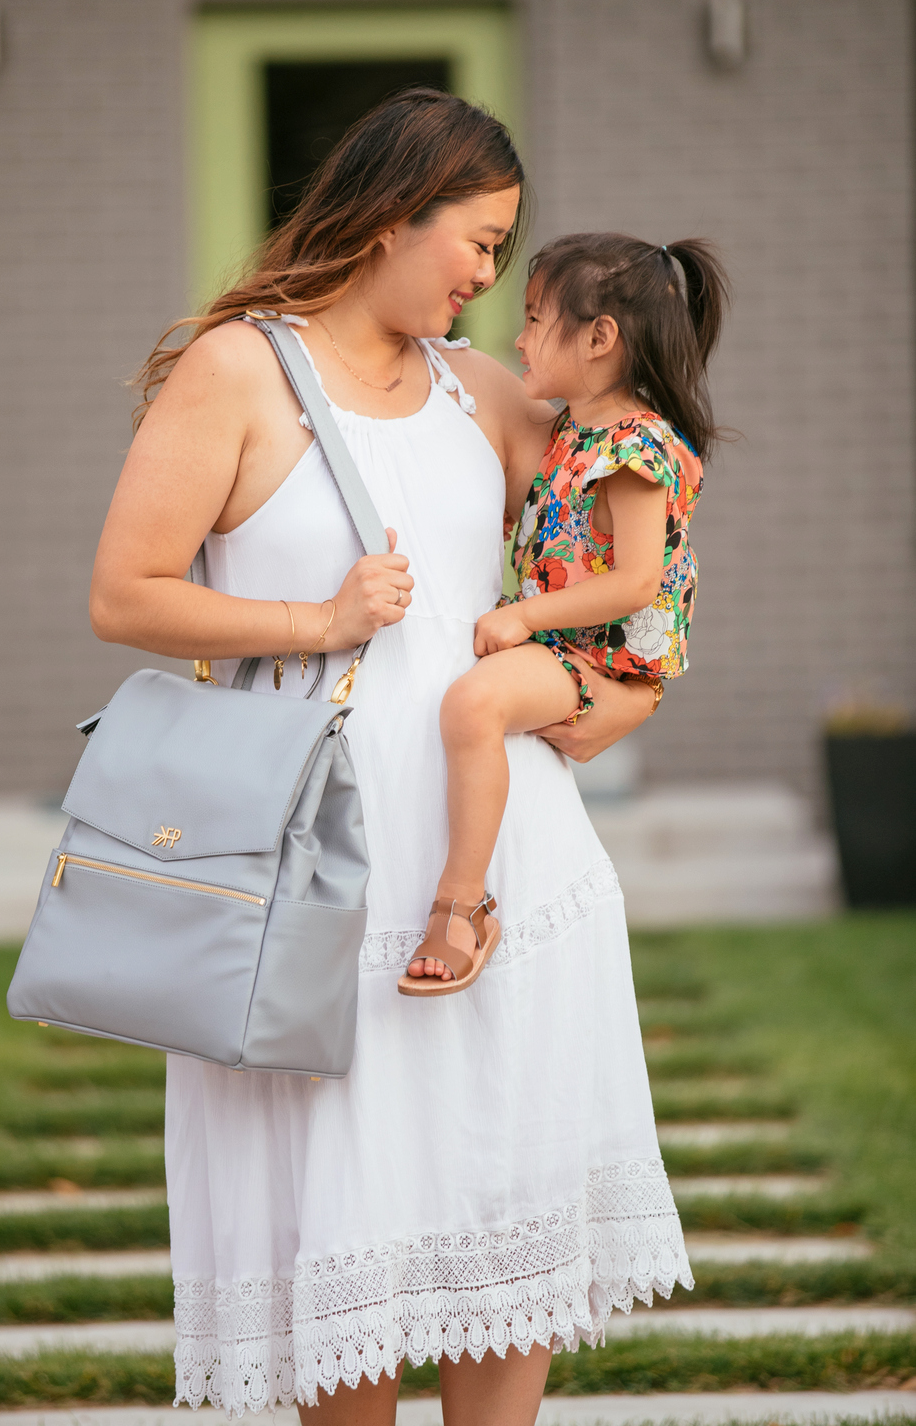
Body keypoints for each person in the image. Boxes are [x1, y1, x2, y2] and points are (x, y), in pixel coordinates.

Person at [89, 90, 692, 1425]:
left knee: (499, 1210)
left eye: (503, 252)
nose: (490, 276)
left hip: (496, 877)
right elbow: (124, 593)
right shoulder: (235, 370)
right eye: (475, 241)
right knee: (342, 1270)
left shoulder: (481, 390)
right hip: (315, 886)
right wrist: (315, 620)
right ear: (388, 216)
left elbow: (642, 529)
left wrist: (626, 696)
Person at [402, 232, 727, 995]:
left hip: (598, 659)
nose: (515, 338)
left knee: (473, 705)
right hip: (568, 647)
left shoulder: (636, 449)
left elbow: (635, 582)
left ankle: (462, 903)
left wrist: (526, 617)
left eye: (533, 318)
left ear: (599, 337)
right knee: (474, 703)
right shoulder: (571, 432)